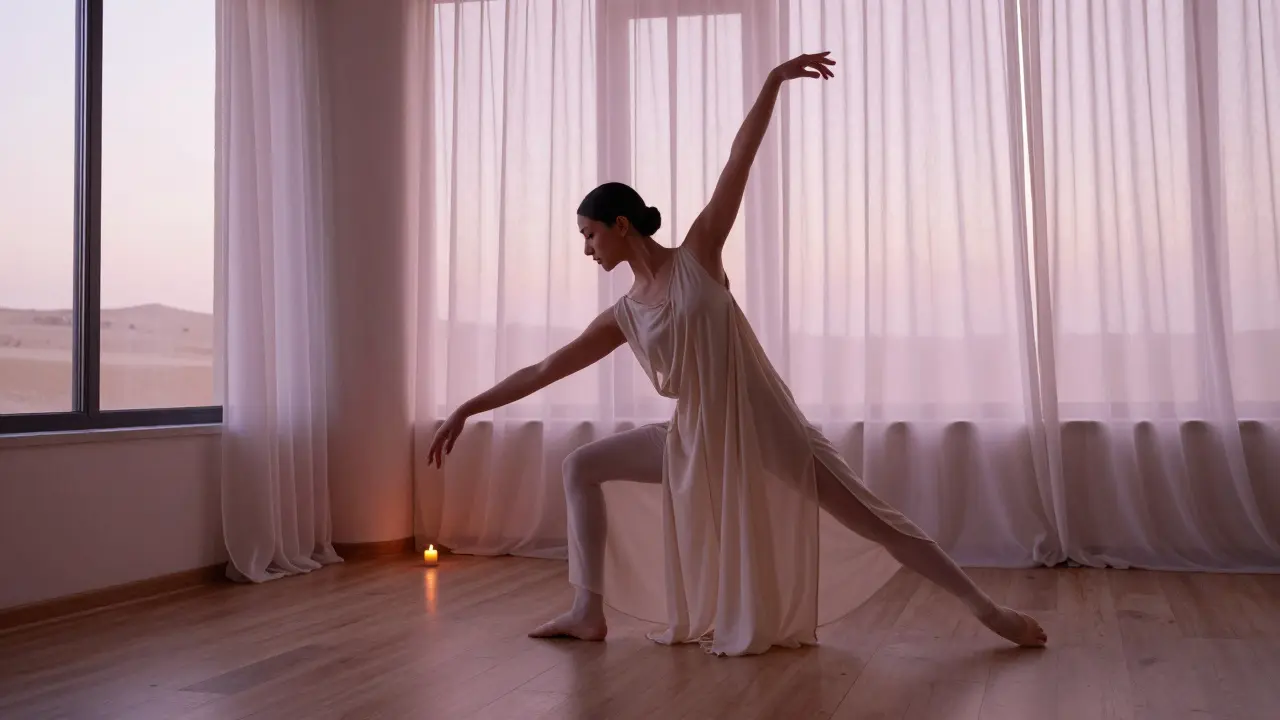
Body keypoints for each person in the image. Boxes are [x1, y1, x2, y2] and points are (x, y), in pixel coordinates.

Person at [427, 51, 1047, 657]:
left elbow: (737, 162)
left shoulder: (698, 255)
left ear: (621, 225)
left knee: (874, 519)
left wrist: (774, 81)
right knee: (580, 466)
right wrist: (467, 408)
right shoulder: (623, 315)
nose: (586, 249)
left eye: (589, 234)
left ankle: (990, 612)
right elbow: (541, 369)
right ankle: (587, 613)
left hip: (764, 427)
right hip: (692, 439)